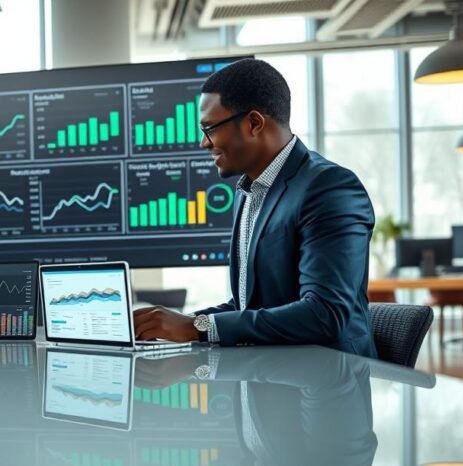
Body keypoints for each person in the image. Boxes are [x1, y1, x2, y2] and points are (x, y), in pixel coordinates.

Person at [132, 58, 377, 358]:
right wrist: (165, 326)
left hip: (325, 388)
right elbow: (249, 308)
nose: (203, 143)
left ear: (254, 123)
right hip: (269, 378)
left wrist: (196, 326)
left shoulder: (330, 188)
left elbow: (325, 315)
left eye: (209, 128)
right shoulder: (248, 192)